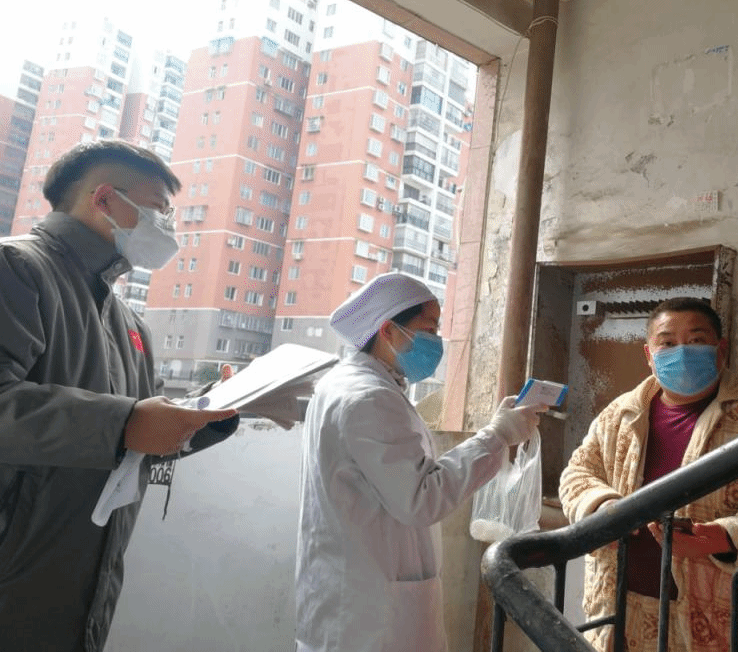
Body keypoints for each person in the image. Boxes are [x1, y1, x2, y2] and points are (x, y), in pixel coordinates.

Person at [0, 140, 239, 652]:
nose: (168, 226)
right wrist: (124, 421)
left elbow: (143, 434)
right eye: (158, 209)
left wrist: (220, 407)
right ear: (104, 199)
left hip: (85, 577)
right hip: (15, 575)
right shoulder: (15, 267)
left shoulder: (128, 322)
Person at [295, 272, 547, 652]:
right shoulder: (368, 398)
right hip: (372, 614)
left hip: (356, 594)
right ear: (388, 330)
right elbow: (421, 498)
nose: (436, 341)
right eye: (428, 329)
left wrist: (495, 435)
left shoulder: (350, 385)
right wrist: (496, 436)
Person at [559, 297, 738, 652]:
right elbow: (577, 474)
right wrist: (604, 509)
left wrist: (723, 537)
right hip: (619, 615)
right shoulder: (620, 414)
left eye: (696, 340)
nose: (681, 352)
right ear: (649, 355)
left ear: (720, 349)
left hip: (720, 623)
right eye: (667, 343)